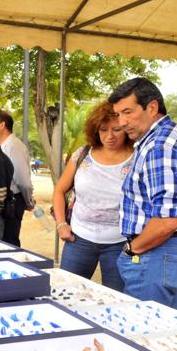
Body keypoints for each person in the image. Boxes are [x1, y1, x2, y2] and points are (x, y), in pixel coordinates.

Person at [110, 77, 177, 311]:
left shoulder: (160, 146)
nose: (121, 122)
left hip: (156, 253)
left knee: (144, 335)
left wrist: (133, 249)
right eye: (118, 114)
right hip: (166, 253)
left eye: (127, 112)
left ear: (152, 107)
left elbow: (166, 221)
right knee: (165, 332)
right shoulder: (169, 137)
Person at [52, 101, 134, 291]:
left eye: (117, 129)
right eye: (103, 129)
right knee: (67, 293)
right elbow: (59, 190)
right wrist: (61, 224)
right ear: (95, 130)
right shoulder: (82, 154)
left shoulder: (138, 157)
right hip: (79, 239)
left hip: (120, 243)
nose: (110, 136)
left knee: (116, 300)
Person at [0, 110, 35, 246]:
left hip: (13, 201)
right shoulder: (3, 146)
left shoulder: (13, 146)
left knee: (9, 243)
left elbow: (23, 180)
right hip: (3, 201)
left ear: (2, 125)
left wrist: (28, 201)